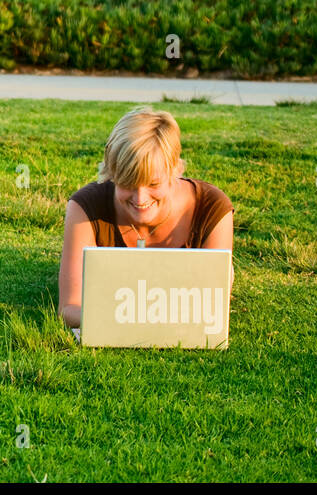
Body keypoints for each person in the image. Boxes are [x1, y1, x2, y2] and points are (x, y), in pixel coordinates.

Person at [58, 106, 234, 331]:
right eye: (127, 183)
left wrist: (122, 314)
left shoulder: (211, 208)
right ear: (112, 172)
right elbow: (69, 309)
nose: (140, 198)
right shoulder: (85, 208)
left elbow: (212, 309)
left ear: (175, 170)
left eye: (153, 184)